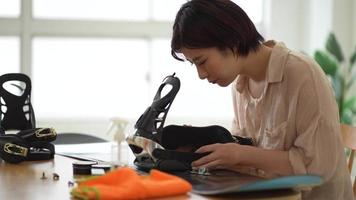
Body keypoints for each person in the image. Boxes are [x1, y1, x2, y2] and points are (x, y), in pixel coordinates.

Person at [170, 0, 353, 199]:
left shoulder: (302, 74)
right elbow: (248, 150)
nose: (201, 75)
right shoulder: (240, 84)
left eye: (202, 61)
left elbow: (318, 168)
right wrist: (208, 145)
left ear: (231, 41)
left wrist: (240, 155)